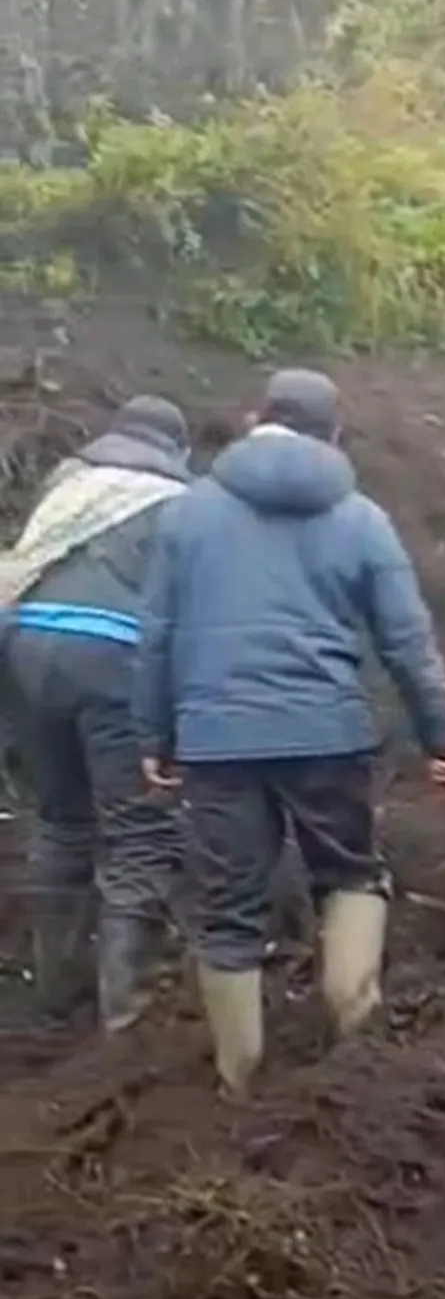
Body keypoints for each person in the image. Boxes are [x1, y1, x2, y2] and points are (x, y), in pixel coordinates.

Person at [134, 367, 445, 1093]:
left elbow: (156, 633)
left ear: (258, 418)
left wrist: (153, 736)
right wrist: (442, 740)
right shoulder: (361, 518)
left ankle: (239, 1080)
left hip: (216, 741)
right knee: (348, 872)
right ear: (333, 434)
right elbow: (406, 642)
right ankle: (355, 1031)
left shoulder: (188, 513)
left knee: (227, 908)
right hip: (328, 734)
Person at [0, 395, 191, 1031]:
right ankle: (127, 1012)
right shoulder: (178, 502)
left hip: (25, 646)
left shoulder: (69, 482)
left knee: (61, 820)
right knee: (139, 835)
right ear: (178, 451)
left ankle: (56, 986)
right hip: (113, 654)